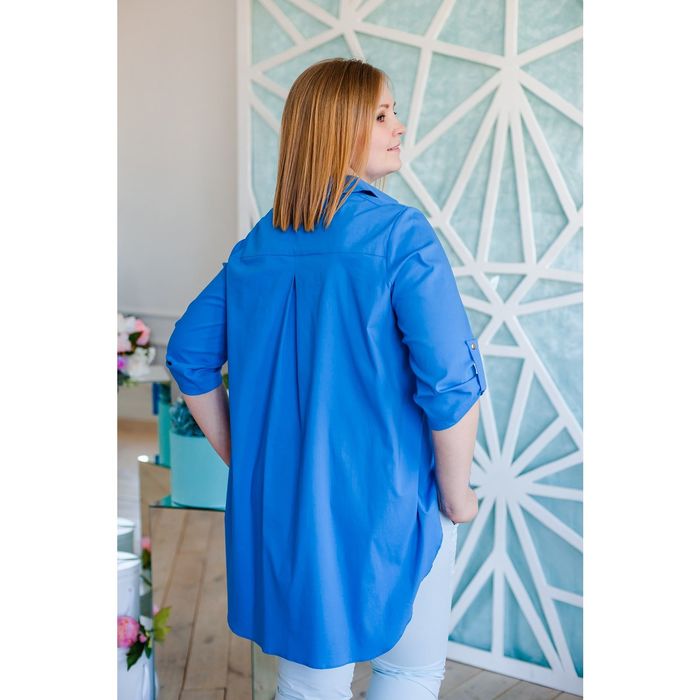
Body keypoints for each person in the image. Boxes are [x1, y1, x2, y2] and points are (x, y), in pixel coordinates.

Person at [165, 58, 487, 700]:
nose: (399, 126)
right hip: (393, 501)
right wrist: (457, 496)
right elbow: (450, 385)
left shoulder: (259, 243)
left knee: (309, 683)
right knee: (409, 671)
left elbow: (189, 356)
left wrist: (246, 457)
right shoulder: (401, 235)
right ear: (337, 128)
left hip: (288, 507)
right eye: (382, 114)